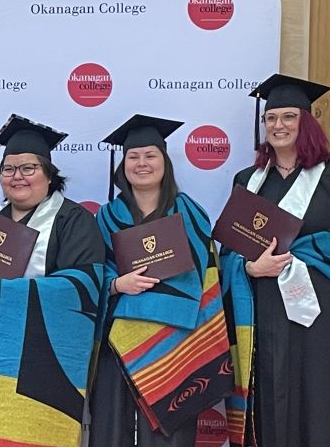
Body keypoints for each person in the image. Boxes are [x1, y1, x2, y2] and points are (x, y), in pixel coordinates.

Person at [221, 74, 330, 447]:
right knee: (268, 398)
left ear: (306, 122)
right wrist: (250, 268)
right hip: (265, 309)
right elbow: (228, 251)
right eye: (271, 118)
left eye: (288, 117)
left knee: (319, 397)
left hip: (324, 311)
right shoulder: (248, 180)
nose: (278, 126)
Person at [0, 114, 107, 446]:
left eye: (28, 168)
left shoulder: (74, 221)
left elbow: (83, 285)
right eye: (8, 169)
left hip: (37, 358)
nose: (17, 177)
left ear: (49, 176)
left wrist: (11, 290)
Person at [89, 114, 233, 446]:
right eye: (133, 156)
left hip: (177, 343)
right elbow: (93, 271)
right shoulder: (107, 217)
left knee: (171, 433)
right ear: (122, 164)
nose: (142, 163)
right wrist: (116, 285)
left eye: (150, 155)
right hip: (118, 343)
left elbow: (203, 276)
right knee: (113, 429)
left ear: (165, 162)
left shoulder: (189, 212)